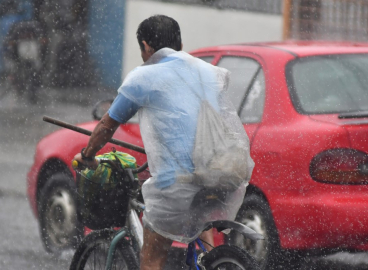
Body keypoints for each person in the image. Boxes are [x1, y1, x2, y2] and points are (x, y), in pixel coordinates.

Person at [74, 15, 253, 270]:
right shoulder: (207, 71)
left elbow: (106, 125)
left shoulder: (143, 77)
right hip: (221, 172)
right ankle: (210, 263)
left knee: (153, 256)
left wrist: (88, 153)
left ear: (146, 46)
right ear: (179, 43)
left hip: (177, 181)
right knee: (199, 221)